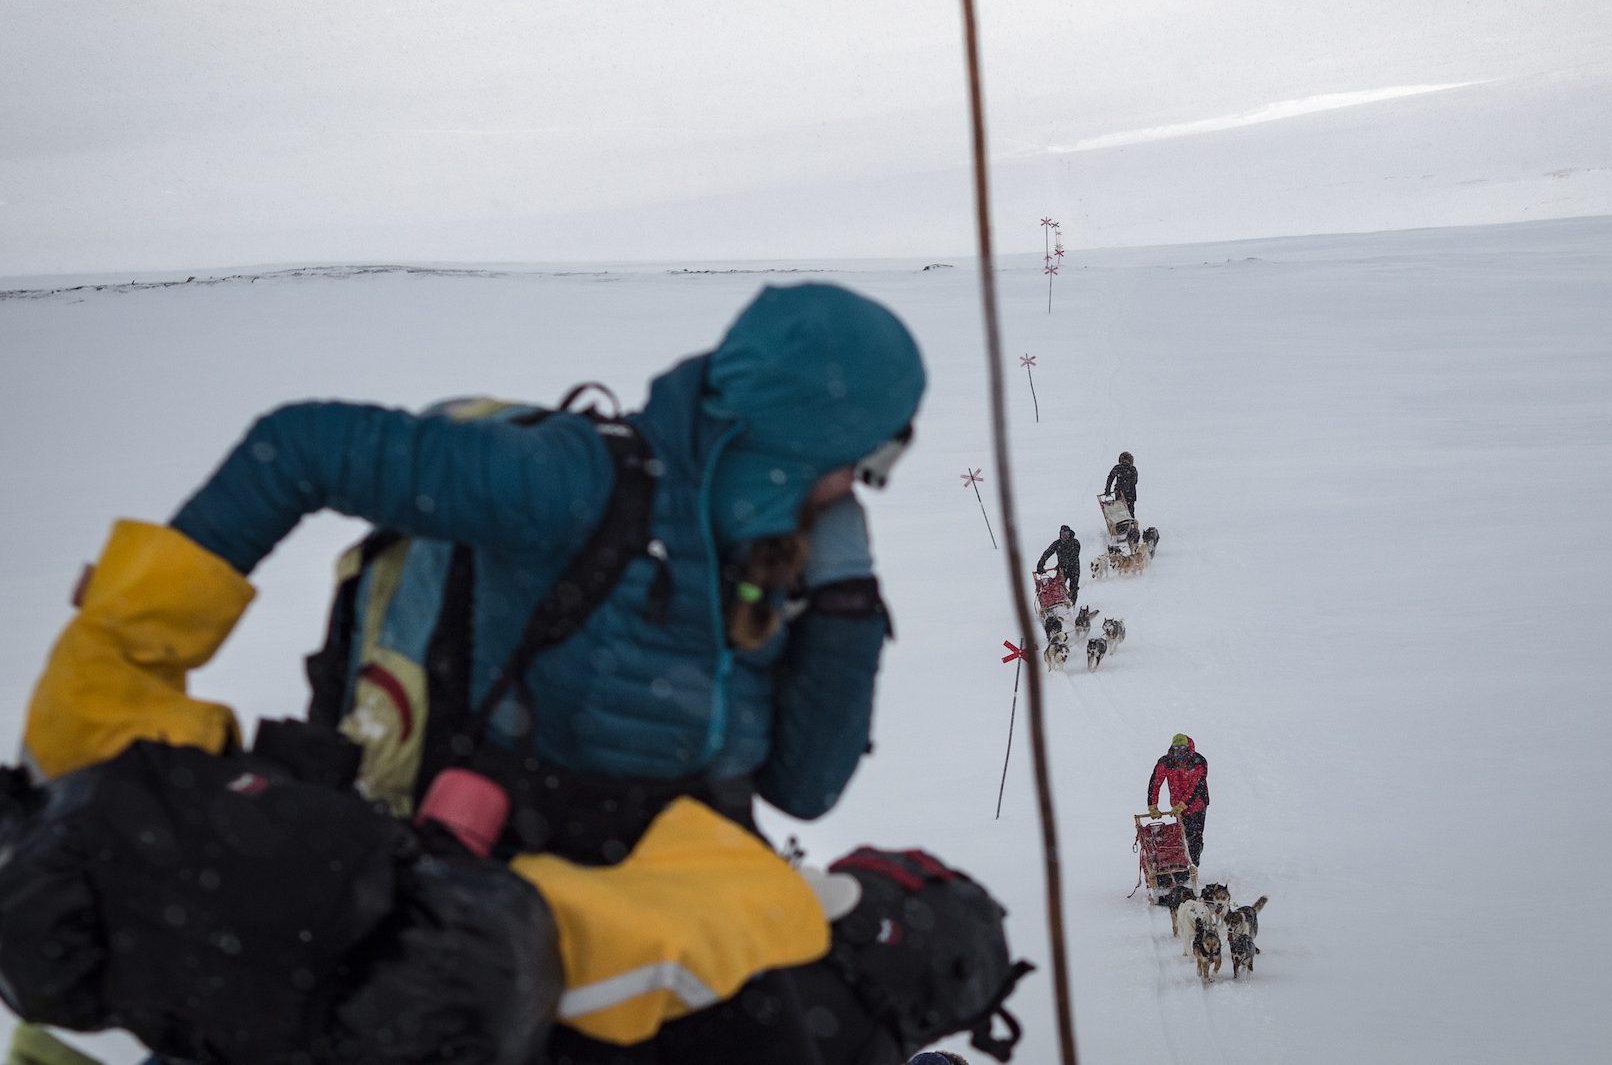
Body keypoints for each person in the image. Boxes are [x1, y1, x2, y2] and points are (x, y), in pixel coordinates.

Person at [18, 283, 1040, 1064]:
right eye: (860, 463)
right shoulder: (571, 482)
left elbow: (805, 785)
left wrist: (849, 601)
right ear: (787, 441)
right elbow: (299, 448)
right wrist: (125, 650)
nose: (856, 491)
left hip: (652, 917)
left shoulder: (777, 562)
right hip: (485, 916)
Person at [1147, 732, 1209, 863]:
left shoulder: (1198, 761)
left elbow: (1196, 786)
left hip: (1197, 804)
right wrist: (1153, 805)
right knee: (1181, 836)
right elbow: (1155, 782)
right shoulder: (1166, 762)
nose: (1179, 752)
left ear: (1187, 748)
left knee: (1195, 837)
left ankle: (1193, 865)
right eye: (1176, 749)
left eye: (1182, 749)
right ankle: (1181, 866)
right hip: (1178, 806)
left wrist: (1183, 804)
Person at [1035, 523, 1081, 606]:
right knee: (1058, 586)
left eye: (1066, 534)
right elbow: (1047, 553)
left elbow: (1074, 556)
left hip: (1074, 568)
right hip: (1062, 568)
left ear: (1070, 534)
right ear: (1060, 534)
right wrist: (1040, 565)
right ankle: (1057, 604)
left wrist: (1062, 563)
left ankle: (1071, 606)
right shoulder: (1057, 544)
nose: (1065, 536)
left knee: (1073, 588)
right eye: (1063, 534)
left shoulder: (1075, 543)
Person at [1105, 450, 1138, 516]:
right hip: (1123, 492)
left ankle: (1129, 523)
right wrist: (1108, 490)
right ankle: (1126, 524)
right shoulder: (1123, 468)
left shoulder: (1130, 469)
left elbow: (1134, 481)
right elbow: (1110, 478)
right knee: (1123, 511)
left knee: (1126, 511)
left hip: (1127, 493)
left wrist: (1108, 490)